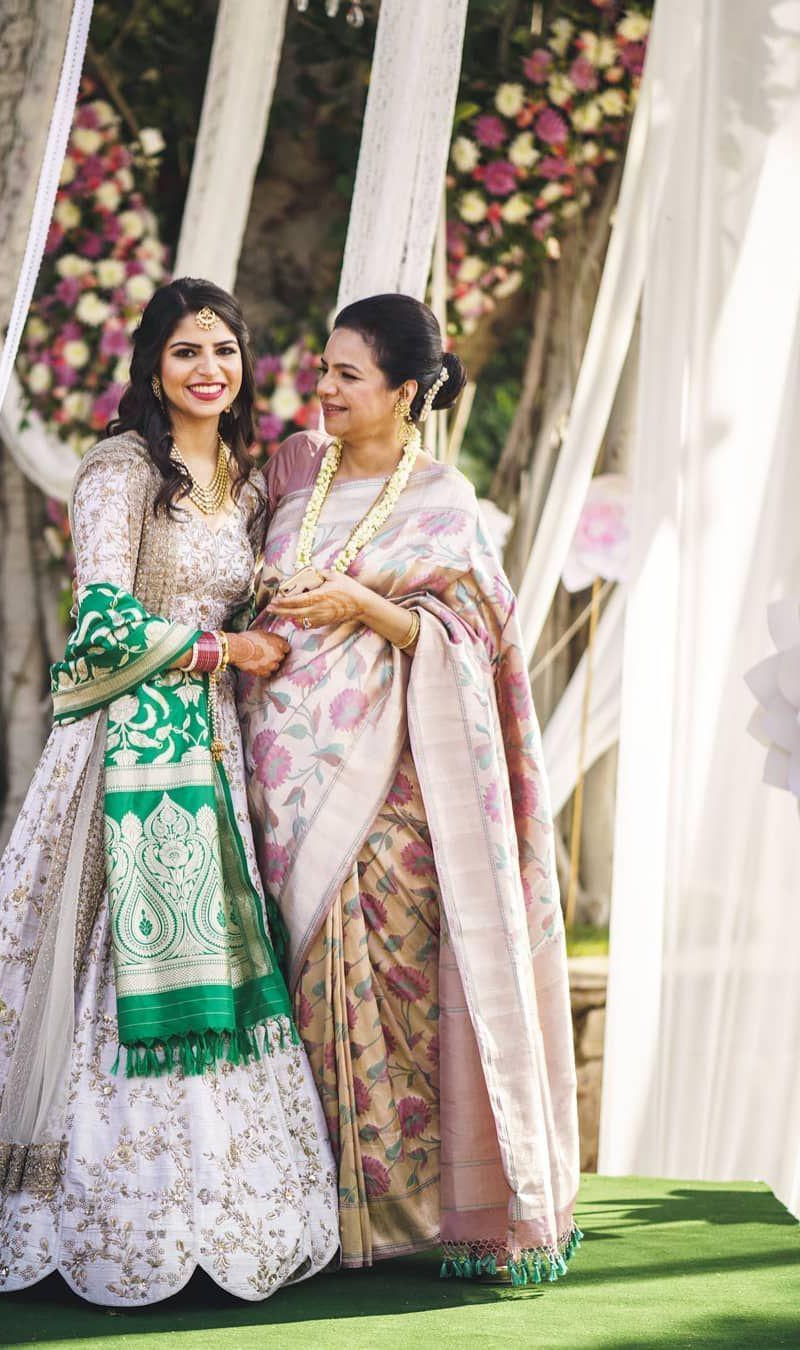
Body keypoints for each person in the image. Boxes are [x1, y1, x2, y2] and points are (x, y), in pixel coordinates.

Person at [0, 278, 338, 1305]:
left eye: (223, 349)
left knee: (212, 970)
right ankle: (79, 1212)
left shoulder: (249, 480)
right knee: (100, 977)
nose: (208, 369)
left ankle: (213, 1212)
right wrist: (228, 647)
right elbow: (103, 622)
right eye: (185, 353)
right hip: (126, 749)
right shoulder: (122, 470)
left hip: (209, 753)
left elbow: (261, 595)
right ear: (152, 367)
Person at [238, 293, 580, 1284]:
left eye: (349, 374)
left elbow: (477, 639)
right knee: (290, 990)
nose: (326, 388)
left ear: (404, 393)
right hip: (276, 779)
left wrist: (366, 607)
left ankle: (393, 1219)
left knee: (384, 984)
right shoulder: (288, 479)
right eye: (325, 369)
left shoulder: (443, 500)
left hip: (387, 784)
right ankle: (300, 1208)